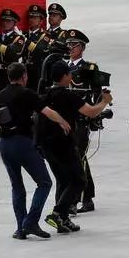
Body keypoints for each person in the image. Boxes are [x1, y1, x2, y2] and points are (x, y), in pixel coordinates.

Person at [0, 62, 70, 240]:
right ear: (24, 77)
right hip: (22, 142)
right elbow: (47, 112)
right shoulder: (26, 94)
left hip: (5, 144)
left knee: (17, 186)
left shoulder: (0, 95)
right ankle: (31, 221)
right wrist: (62, 121)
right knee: (44, 182)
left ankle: (20, 227)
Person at [38, 60, 112, 235]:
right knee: (79, 180)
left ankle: (63, 219)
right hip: (64, 144)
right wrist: (104, 101)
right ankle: (58, 213)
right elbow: (92, 112)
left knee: (62, 181)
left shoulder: (45, 95)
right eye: (69, 74)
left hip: (47, 146)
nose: (72, 77)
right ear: (64, 76)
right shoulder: (69, 96)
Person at [65, 29, 100, 213]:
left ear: (82, 48)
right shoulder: (63, 66)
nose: (70, 48)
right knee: (78, 158)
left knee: (77, 158)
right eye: (68, 45)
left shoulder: (89, 68)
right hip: (66, 119)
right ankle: (88, 197)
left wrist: (94, 115)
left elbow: (96, 93)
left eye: (74, 45)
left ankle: (73, 200)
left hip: (81, 119)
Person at [23, 5, 53, 92]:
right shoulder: (24, 34)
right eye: (30, 17)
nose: (32, 19)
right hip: (24, 71)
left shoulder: (45, 35)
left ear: (41, 20)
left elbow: (40, 50)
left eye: (35, 17)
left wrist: (25, 41)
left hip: (37, 71)